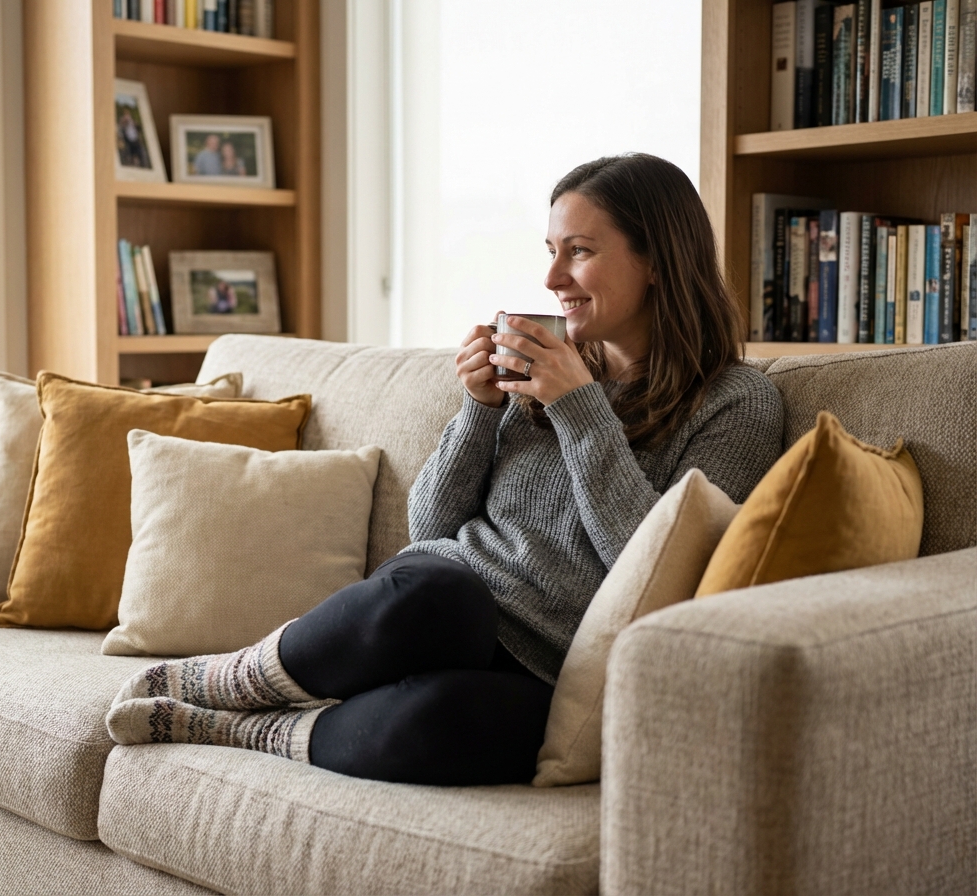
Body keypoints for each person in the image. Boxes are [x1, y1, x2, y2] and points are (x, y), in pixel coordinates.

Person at [106, 153, 785, 785]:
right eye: (551, 252)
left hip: (547, 663)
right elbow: (429, 526)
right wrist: (479, 410)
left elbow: (657, 567)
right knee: (443, 597)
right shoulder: (547, 376)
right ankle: (230, 678)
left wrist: (580, 409)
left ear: (658, 260)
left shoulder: (735, 403)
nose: (552, 279)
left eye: (578, 252)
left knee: (444, 726)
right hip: (443, 606)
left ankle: (255, 731)